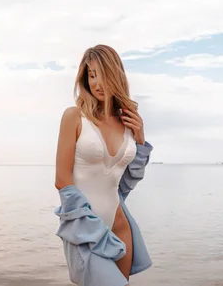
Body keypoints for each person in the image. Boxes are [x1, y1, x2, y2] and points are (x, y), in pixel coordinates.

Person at [54, 44, 154, 285]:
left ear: (116, 74)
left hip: (120, 226)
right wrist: (93, 229)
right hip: (85, 230)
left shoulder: (128, 123)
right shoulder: (74, 117)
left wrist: (140, 138)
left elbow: (127, 181)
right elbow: (62, 181)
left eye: (102, 74)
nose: (97, 83)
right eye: (91, 75)